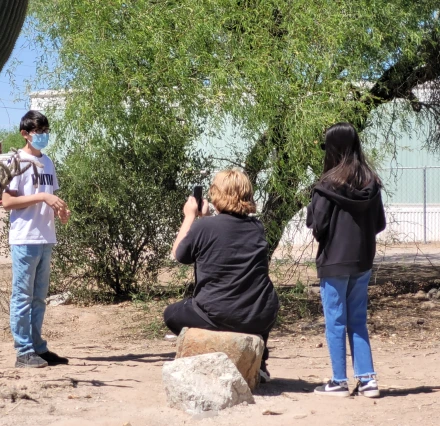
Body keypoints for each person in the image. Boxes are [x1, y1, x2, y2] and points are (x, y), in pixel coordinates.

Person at [164, 169, 280, 381]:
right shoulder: (257, 227)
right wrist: (207, 219)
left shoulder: (203, 227)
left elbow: (178, 253)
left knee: (171, 314)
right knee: (259, 301)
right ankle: (259, 362)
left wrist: (190, 217)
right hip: (259, 314)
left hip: (217, 312)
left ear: (216, 194)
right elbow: (225, 234)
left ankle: (212, 354)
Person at [307, 122, 386, 397]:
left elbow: (318, 225)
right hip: (362, 261)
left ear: (332, 148)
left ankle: (338, 381)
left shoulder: (326, 185)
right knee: (358, 321)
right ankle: (367, 381)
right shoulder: (372, 183)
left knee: (335, 321)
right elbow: (378, 224)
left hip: (334, 262)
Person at [2, 110, 71, 368]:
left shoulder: (49, 162)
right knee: (22, 296)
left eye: (45, 131)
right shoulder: (15, 161)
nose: (42, 136)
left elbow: (51, 196)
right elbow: (7, 201)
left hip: (45, 236)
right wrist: (43, 197)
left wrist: (60, 209)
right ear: (25, 134)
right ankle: (23, 351)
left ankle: (38, 348)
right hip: (24, 238)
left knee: (39, 297)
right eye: (37, 132)